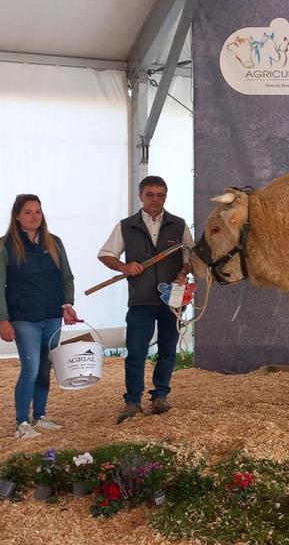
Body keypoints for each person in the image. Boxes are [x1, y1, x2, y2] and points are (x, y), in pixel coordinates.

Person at [98, 176, 193, 424]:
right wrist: (123, 266)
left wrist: (183, 273)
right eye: (150, 194)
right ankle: (132, 402)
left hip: (171, 301)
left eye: (160, 195)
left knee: (168, 351)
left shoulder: (179, 225)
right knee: (136, 353)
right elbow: (105, 254)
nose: (155, 200)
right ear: (141, 196)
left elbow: (190, 256)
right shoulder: (126, 226)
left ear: (165, 197)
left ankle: (160, 396)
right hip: (140, 300)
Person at [0, 194, 80, 439]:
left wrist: (67, 304)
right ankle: (22, 423)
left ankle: (40, 416)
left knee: (45, 368)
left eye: (37, 211)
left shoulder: (54, 242)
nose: (34, 216)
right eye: (27, 212)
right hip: (24, 317)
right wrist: (3, 319)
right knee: (30, 368)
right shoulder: (5, 246)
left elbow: (66, 277)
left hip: (52, 316)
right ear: (16, 215)